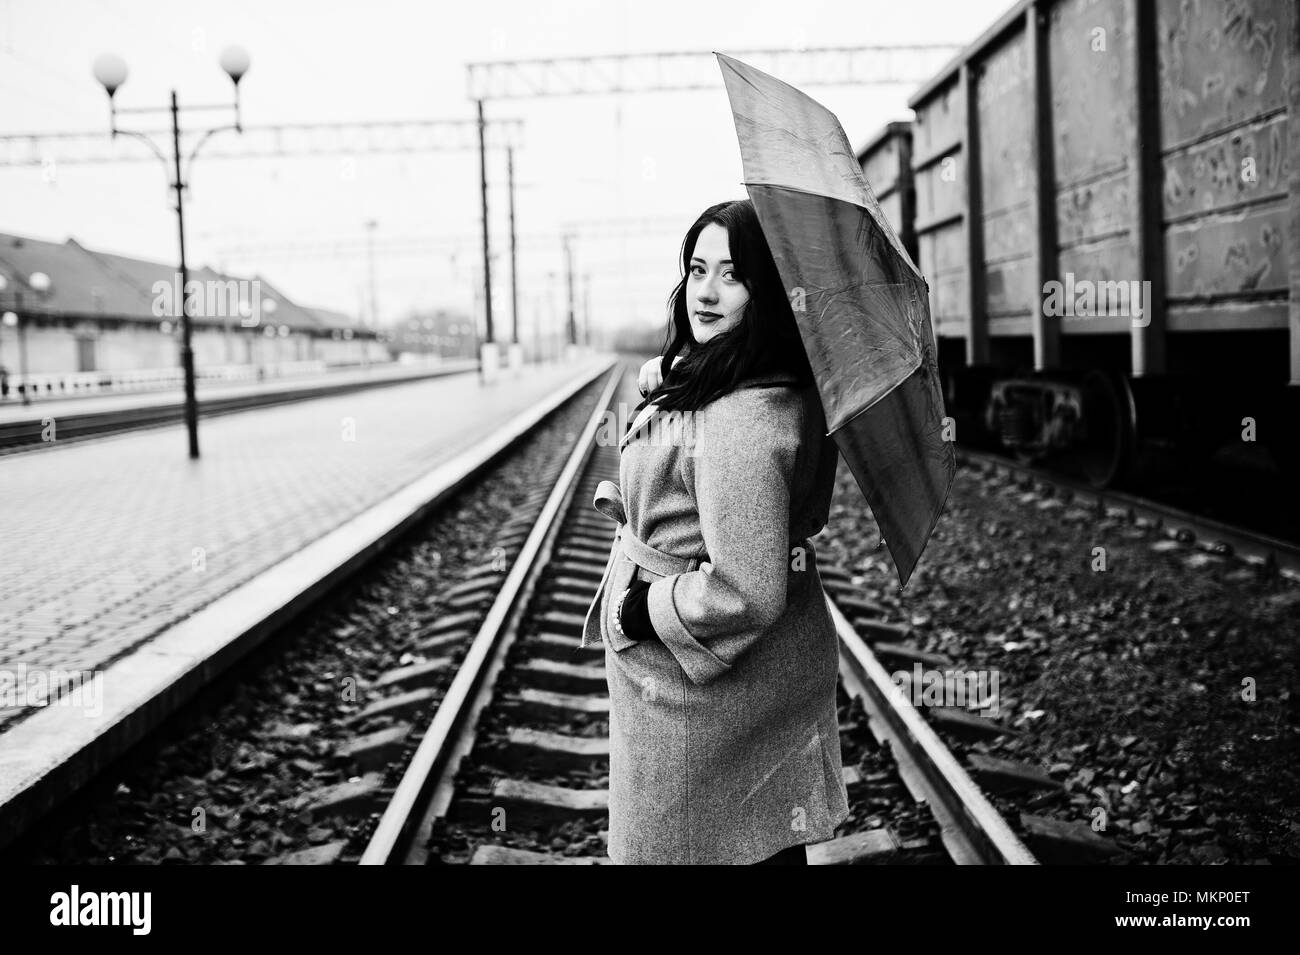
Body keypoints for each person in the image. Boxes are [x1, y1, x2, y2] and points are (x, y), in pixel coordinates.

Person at [580, 199, 849, 865]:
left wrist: (641, 608)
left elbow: (746, 589)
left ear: (765, 290)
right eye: (698, 268)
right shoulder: (754, 377)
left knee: (705, 847)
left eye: (731, 275)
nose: (705, 290)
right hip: (728, 693)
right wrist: (675, 380)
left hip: (701, 701)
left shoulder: (743, 423)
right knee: (753, 842)